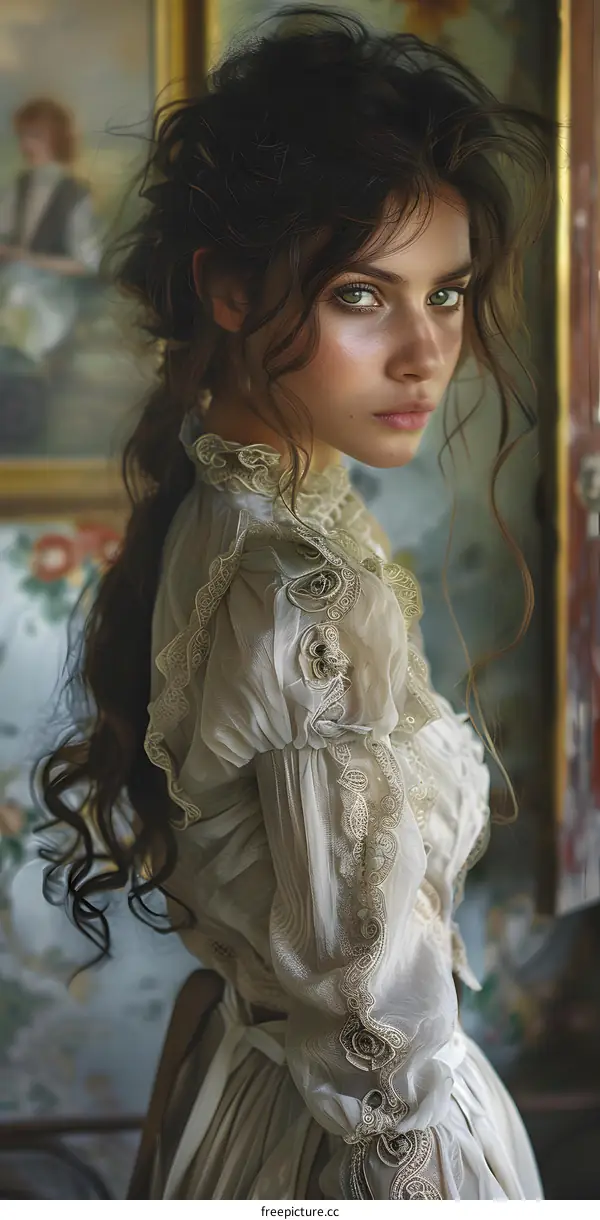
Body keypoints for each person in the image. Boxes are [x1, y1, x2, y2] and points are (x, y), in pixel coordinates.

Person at [40, 9, 553, 1200]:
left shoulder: (247, 511)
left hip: (269, 1092)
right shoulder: (294, 582)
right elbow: (384, 1050)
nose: (428, 353)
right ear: (228, 289)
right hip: (362, 1147)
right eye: (366, 294)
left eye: (451, 292)